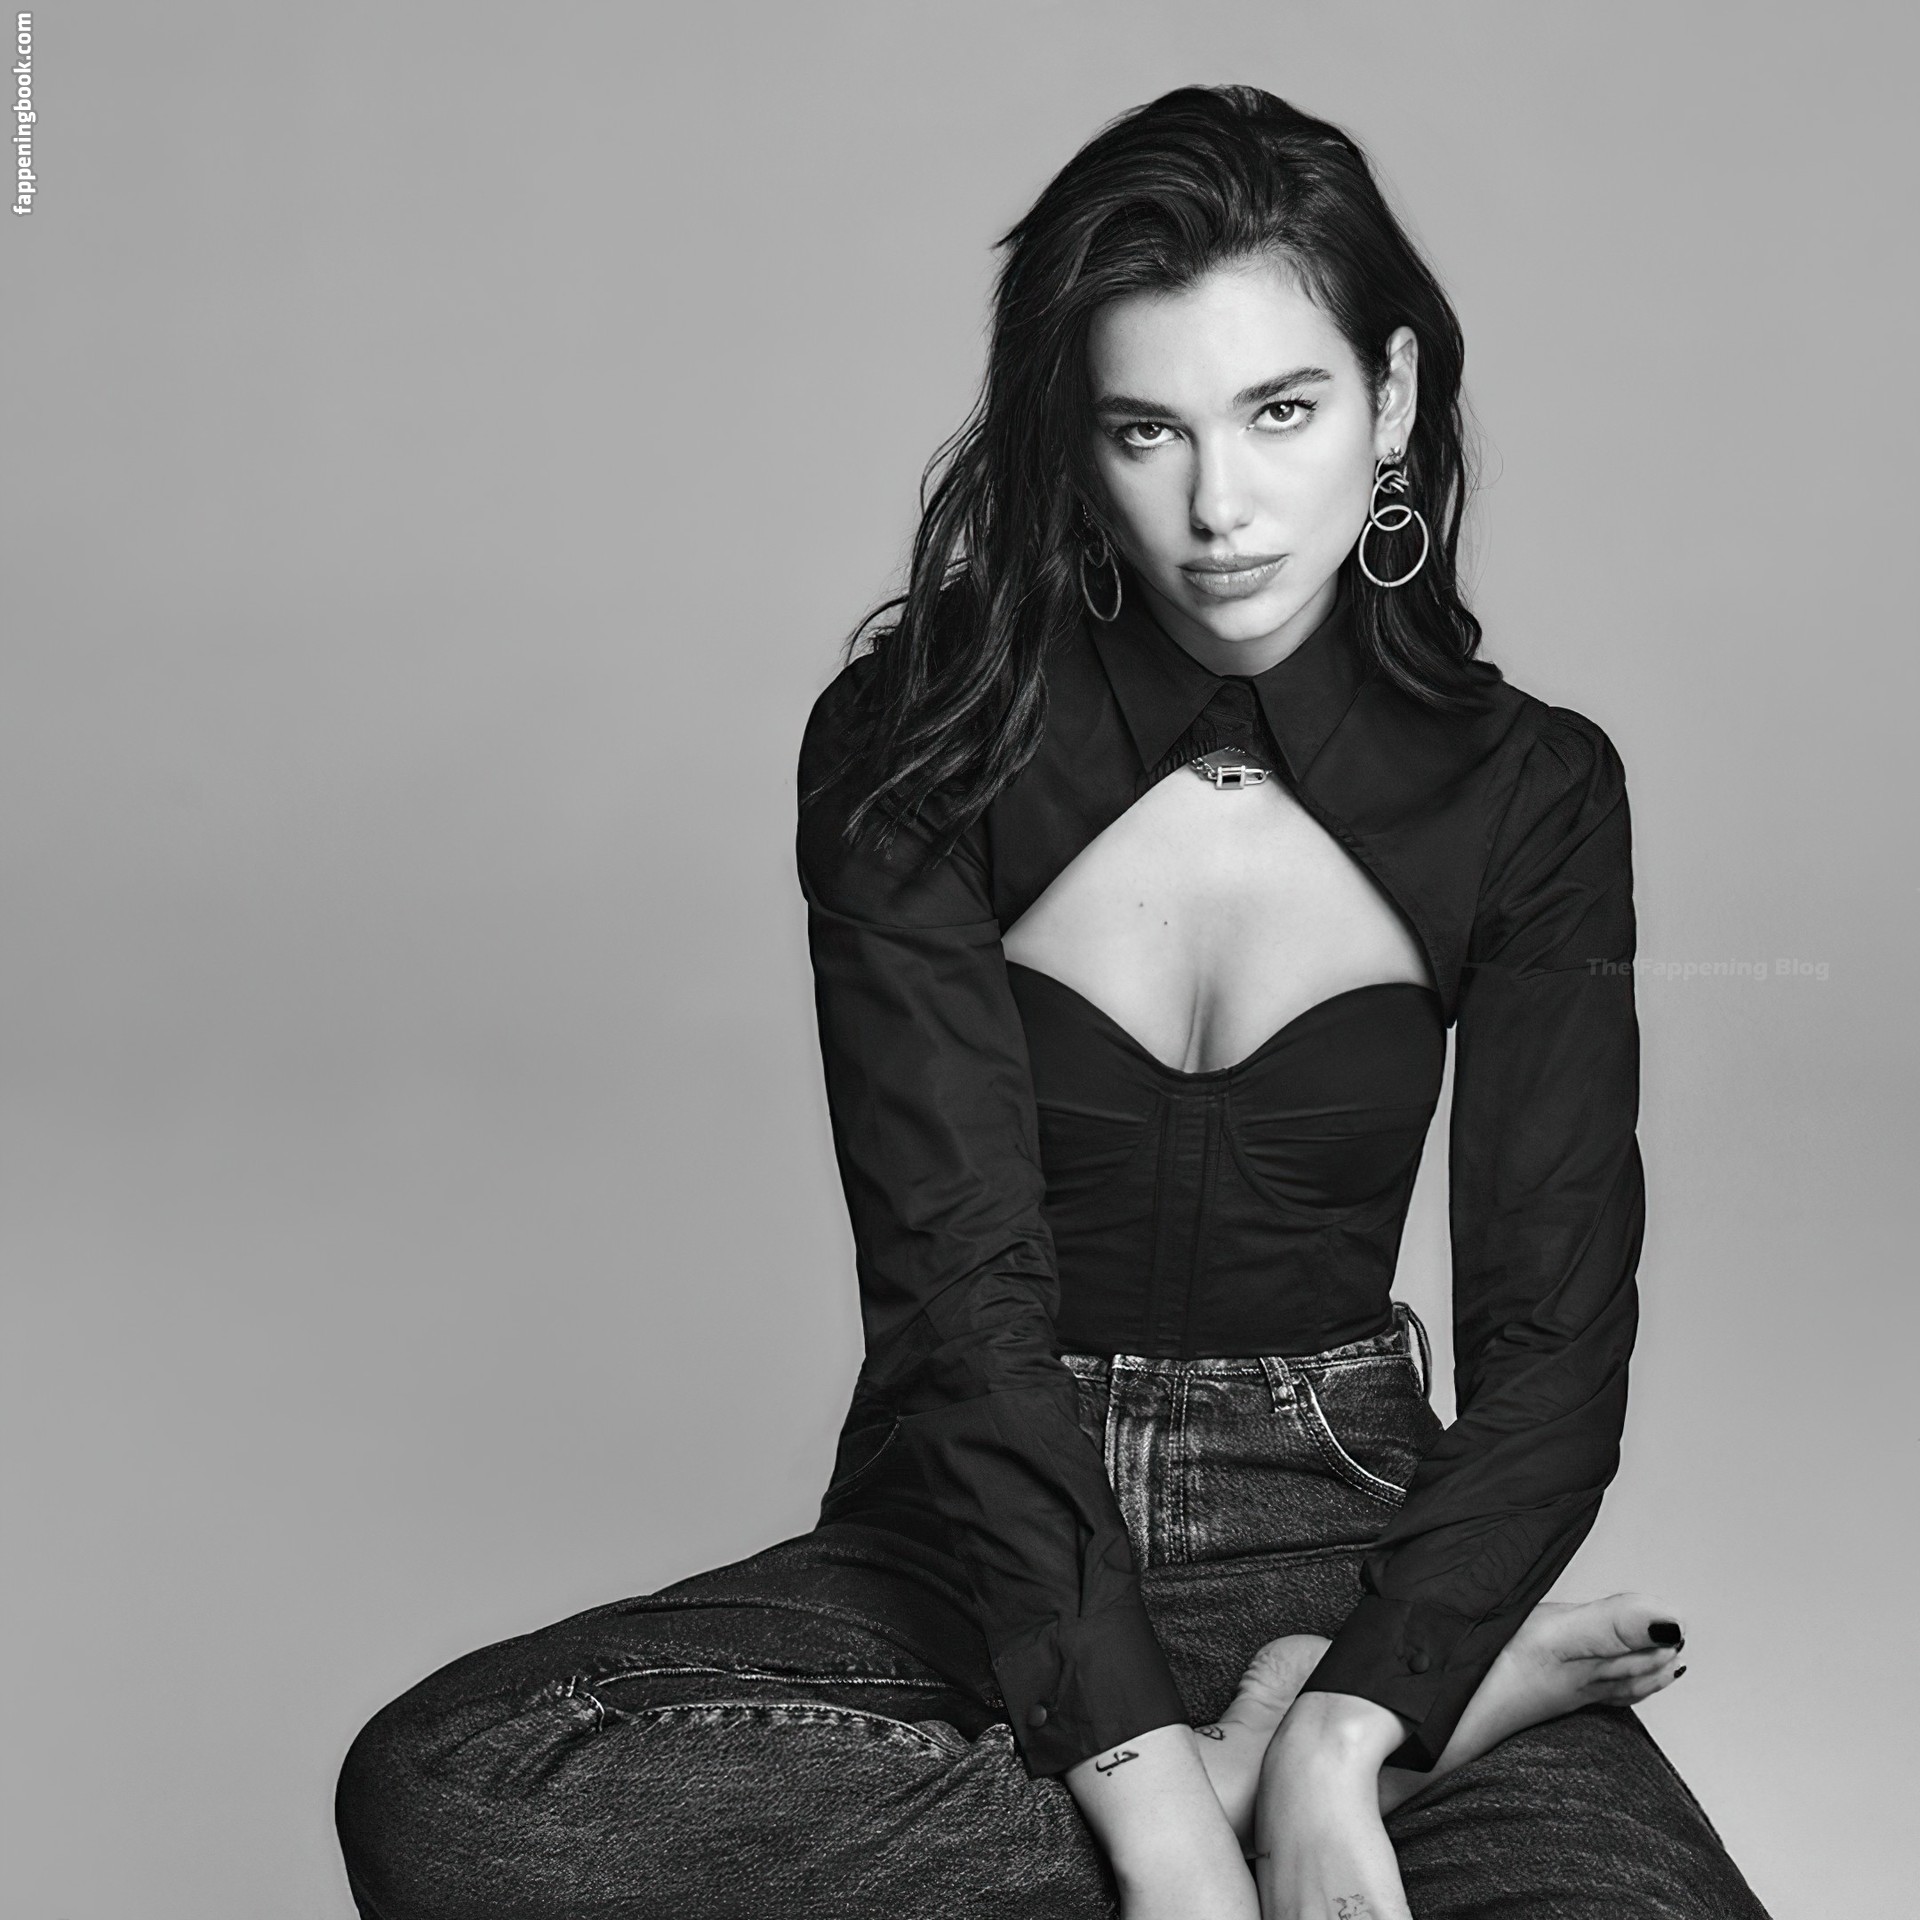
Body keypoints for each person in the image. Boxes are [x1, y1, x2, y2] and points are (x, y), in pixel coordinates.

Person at [335, 86, 1771, 1919]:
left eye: (1282, 411)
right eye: (1148, 429)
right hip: (976, 1526)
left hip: (1355, 1535)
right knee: (459, 1796)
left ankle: (1348, 1742)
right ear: (1077, 444)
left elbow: (1554, 1342)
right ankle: (1257, 1770)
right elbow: (957, 1294)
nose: (1221, 508)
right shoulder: (921, 747)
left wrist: (1356, 1723)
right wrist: (1172, 1819)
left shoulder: (1533, 795)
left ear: (1394, 400)